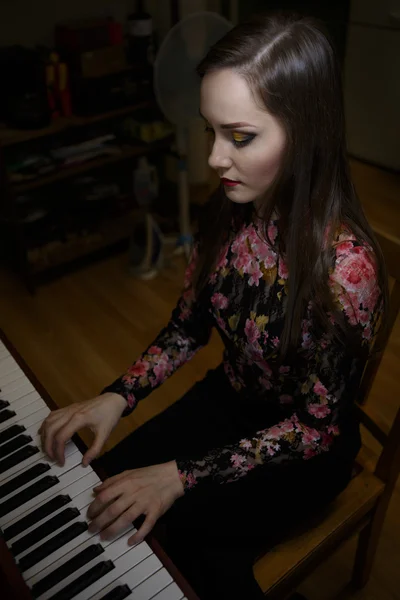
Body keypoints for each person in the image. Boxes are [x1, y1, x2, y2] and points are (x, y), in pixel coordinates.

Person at [39, 12, 388, 600]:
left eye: (240, 137)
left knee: (190, 548)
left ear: (306, 132)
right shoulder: (230, 206)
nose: (214, 160)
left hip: (303, 448)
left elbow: (315, 428)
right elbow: (188, 328)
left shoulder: (347, 271)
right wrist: (116, 396)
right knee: (106, 487)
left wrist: (180, 477)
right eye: (211, 131)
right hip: (229, 401)